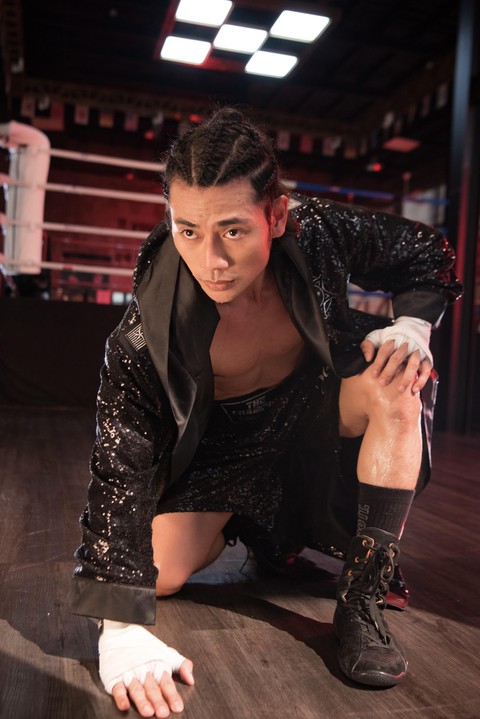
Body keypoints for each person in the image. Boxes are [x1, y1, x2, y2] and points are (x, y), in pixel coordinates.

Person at [70, 107, 462, 717]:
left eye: (232, 231)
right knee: (160, 576)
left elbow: (423, 249)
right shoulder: (146, 332)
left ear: (275, 215)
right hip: (222, 448)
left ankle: (361, 600)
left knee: (395, 380)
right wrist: (119, 631)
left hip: (314, 411)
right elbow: (119, 467)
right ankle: (258, 532)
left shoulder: (317, 231)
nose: (211, 260)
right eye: (188, 230)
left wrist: (413, 325)